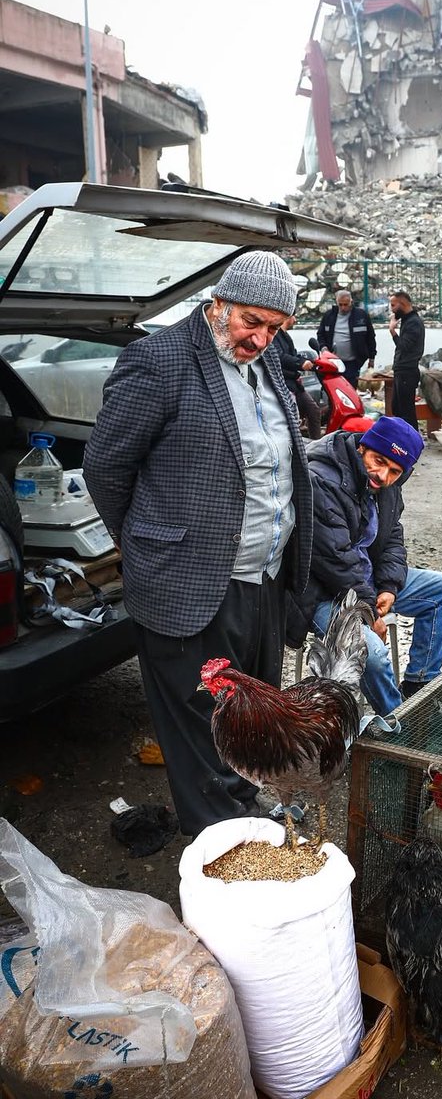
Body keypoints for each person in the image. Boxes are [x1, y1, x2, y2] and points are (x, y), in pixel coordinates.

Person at [84, 251, 314, 837]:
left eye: (275, 329)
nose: (261, 339)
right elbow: (107, 468)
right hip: (188, 579)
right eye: (251, 323)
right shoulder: (159, 361)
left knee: (249, 713)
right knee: (200, 718)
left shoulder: (265, 361)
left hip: (262, 575)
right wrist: (145, 546)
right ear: (217, 305)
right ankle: (220, 841)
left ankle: (244, 804)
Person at [287, 416, 442, 719]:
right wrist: (368, 611)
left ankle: (419, 689)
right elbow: (335, 557)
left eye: (395, 471)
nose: (383, 475)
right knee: (371, 652)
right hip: (322, 592)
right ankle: (399, 723)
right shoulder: (321, 478)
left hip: (366, 582)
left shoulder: (387, 485)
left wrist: (389, 585)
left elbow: (392, 537)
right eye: (379, 461)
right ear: (363, 447)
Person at [275, 314, 324, 440]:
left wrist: (310, 362)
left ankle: (315, 444)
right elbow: (280, 357)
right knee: (293, 420)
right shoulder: (275, 336)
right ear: (287, 317)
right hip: (284, 384)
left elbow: (294, 355)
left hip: (295, 384)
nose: (295, 320)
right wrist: (300, 363)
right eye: (294, 316)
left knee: (313, 410)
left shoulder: (285, 336)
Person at [316, 289, 377, 387]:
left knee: (350, 389)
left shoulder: (361, 316)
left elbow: (370, 337)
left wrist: (371, 358)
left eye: (346, 304)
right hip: (333, 362)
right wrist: (324, 348)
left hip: (353, 363)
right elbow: (321, 335)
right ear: (336, 303)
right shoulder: (329, 316)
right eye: (340, 305)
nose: (343, 308)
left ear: (351, 302)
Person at [388, 289, 425, 431]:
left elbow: (404, 346)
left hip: (407, 372)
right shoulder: (407, 320)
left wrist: (392, 331)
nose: (391, 309)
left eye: (393, 305)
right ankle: (403, 440)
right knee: (397, 408)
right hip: (401, 371)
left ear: (402, 304)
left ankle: (412, 441)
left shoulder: (414, 323)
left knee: (406, 411)